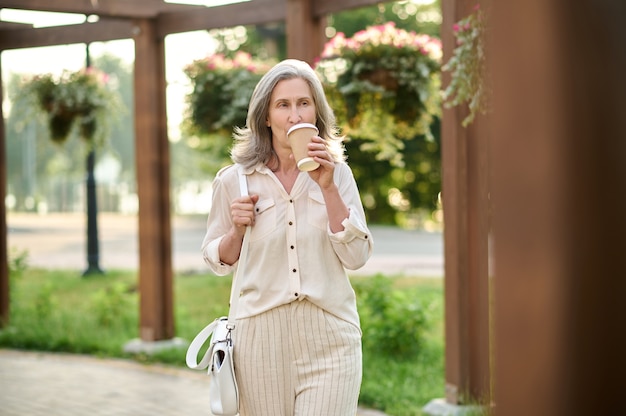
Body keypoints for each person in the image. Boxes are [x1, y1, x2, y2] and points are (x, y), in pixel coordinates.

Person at [201, 59, 373, 416]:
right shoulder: (234, 180)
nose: (295, 115)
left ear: (316, 111)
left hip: (330, 334)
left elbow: (357, 256)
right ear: (265, 116)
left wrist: (327, 189)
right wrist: (236, 230)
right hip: (258, 340)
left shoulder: (338, 174)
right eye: (283, 105)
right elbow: (217, 261)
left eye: (304, 103)